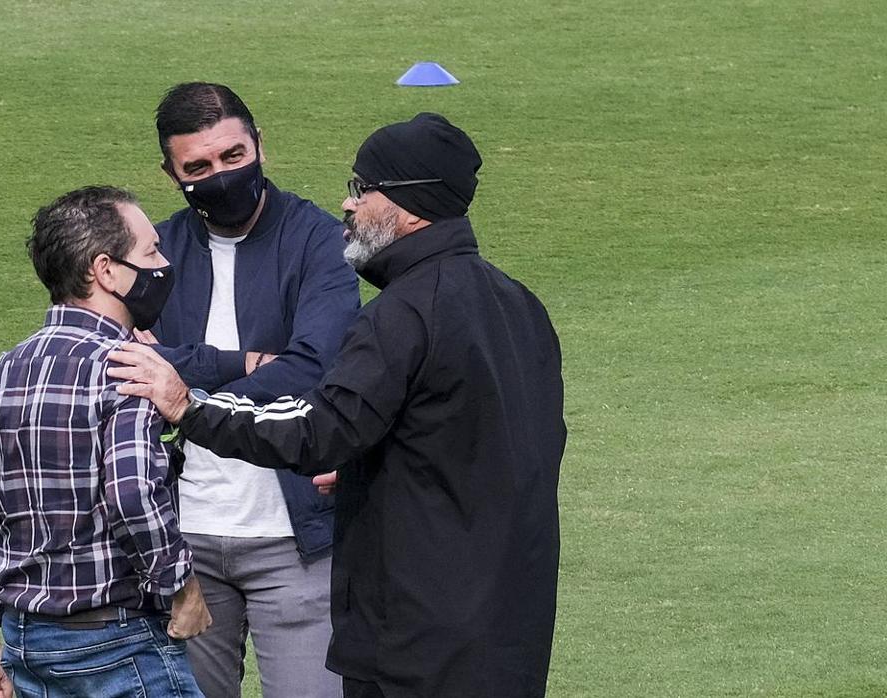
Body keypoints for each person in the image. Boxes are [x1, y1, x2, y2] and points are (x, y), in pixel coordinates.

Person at [108, 113, 566, 698]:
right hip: (507, 620)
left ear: (409, 206)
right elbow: (475, 439)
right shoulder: (518, 303)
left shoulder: (402, 314)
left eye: (361, 189)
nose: (348, 207)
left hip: (418, 629)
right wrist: (363, 465)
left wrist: (189, 407)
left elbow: (315, 430)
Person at [140, 82, 359, 698]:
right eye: (198, 168)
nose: (221, 175)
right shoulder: (153, 253)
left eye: (233, 156)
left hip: (297, 538)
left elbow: (315, 365)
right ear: (172, 173)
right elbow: (129, 368)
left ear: (260, 145)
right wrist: (244, 361)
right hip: (182, 543)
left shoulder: (321, 240)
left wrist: (186, 391)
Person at [0, 186, 211, 698]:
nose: (163, 265)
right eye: (151, 252)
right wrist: (182, 587)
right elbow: (133, 495)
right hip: (118, 642)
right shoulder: (129, 364)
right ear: (105, 271)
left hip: (28, 641)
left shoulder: (9, 367)